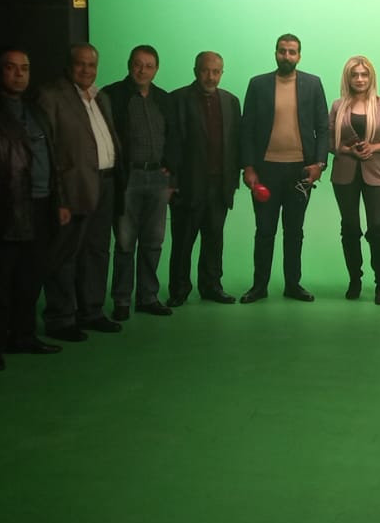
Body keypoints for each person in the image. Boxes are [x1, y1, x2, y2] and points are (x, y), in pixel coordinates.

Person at [0, 48, 66, 371]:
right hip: (5, 208)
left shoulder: (35, 110)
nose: (19, 74)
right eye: (11, 68)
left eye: (24, 68)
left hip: (41, 205)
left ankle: (23, 336)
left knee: (30, 279)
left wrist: (59, 201)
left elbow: (52, 158)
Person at [239, 33, 330, 303]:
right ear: (275, 53)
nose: (286, 56)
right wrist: (248, 167)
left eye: (292, 52)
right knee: (264, 231)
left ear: (299, 56)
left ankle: (293, 284)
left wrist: (319, 164)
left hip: (300, 172)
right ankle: (259, 286)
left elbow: (323, 127)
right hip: (265, 170)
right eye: (282, 51)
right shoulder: (258, 84)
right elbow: (247, 129)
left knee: (294, 231)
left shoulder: (313, 84)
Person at [39, 43, 120, 340]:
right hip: (73, 187)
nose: (86, 70)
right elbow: (47, 148)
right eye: (80, 64)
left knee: (97, 251)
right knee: (65, 254)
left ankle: (92, 311)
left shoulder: (101, 97)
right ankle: (60, 318)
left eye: (91, 65)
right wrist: (58, 195)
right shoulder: (51, 96)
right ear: (69, 65)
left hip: (106, 182)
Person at [101, 45, 174, 320]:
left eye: (149, 66)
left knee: (153, 242)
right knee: (124, 242)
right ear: (129, 64)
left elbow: (175, 137)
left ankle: (148, 297)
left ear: (156, 69)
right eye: (137, 64)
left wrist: (171, 173)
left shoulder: (164, 99)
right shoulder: (112, 95)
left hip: (158, 178)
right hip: (127, 177)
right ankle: (121, 300)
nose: (142, 70)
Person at [164, 51, 241, 306]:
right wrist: (172, 182)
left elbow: (235, 143)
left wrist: (233, 182)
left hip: (220, 186)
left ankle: (211, 287)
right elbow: (171, 143)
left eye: (216, 71)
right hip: (187, 186)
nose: (210, 77)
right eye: (205, 71)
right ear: (196, 71)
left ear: (222, 73)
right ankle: (179, 290)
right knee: (183, 242)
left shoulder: (231, 102)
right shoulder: (177, 99)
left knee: (214, 240)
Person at [329, 55, 380, 305]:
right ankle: (355, 280)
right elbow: (328, 141)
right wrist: (347, 150)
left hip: (375, 175)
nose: (360, 79)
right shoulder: (338, 106)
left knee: (376, 228)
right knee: (350, 228)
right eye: (355, 75)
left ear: (371, 77)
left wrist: (375, 147)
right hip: (344, 175)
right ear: (348, 78)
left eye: (364, 74)